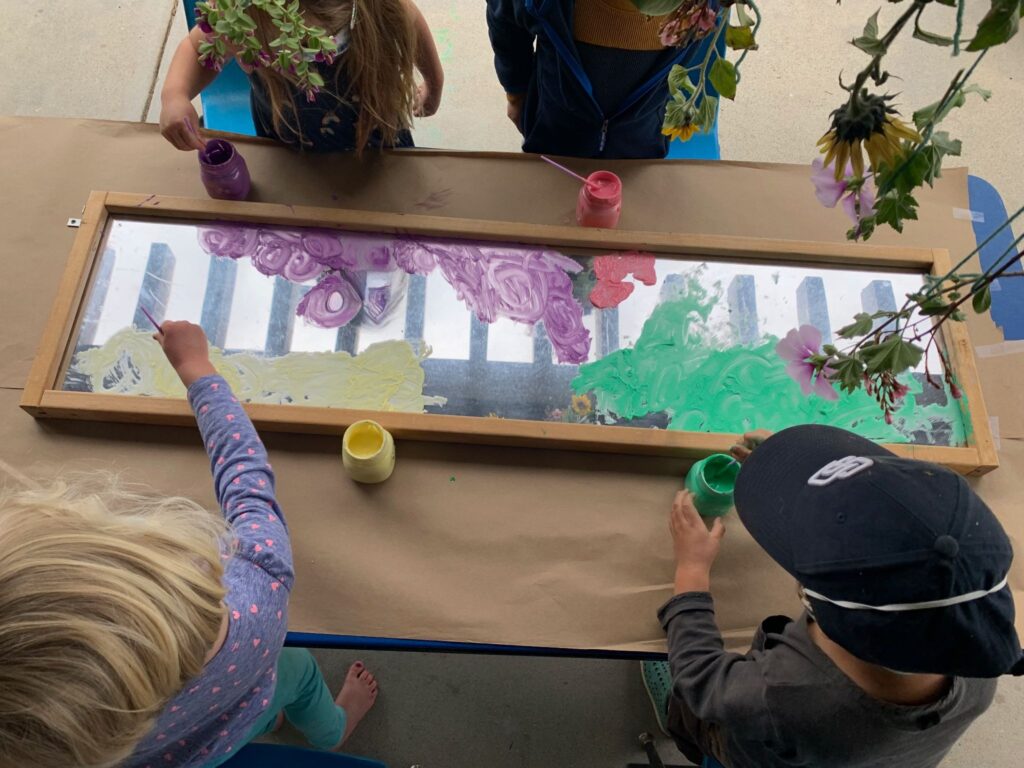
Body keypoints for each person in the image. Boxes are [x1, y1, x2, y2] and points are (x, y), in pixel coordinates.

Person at [0, 320, 379, 768]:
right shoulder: (255, 607)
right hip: (257, 676)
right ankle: (334, 729)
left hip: (191, 748)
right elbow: (246, 480)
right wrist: (197, 369)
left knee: (241, 711)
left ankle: (258, 714)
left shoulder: (57, 744)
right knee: (295, 670)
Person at [644, 425, 1024, 768]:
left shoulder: (784, 696)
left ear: (812, 601)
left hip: (756, 752)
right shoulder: (977, 660)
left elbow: (702, 679)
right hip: (875, 756)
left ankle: (672, 715)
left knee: (694, 713)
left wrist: (691, 571)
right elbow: (893, 533)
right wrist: (786, 471)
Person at [161, 0, 444, 153]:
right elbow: (196, 47)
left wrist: (434, 83)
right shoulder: (242, 14)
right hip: (288, 146)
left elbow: (408, 19)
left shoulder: (377, 7)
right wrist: (175, 94)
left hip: (375, 141)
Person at [485, 0, 721, 158]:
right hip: (552, 138)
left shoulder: (700, 11)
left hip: (642, 147)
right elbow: (505, 20)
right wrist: (515, 91)